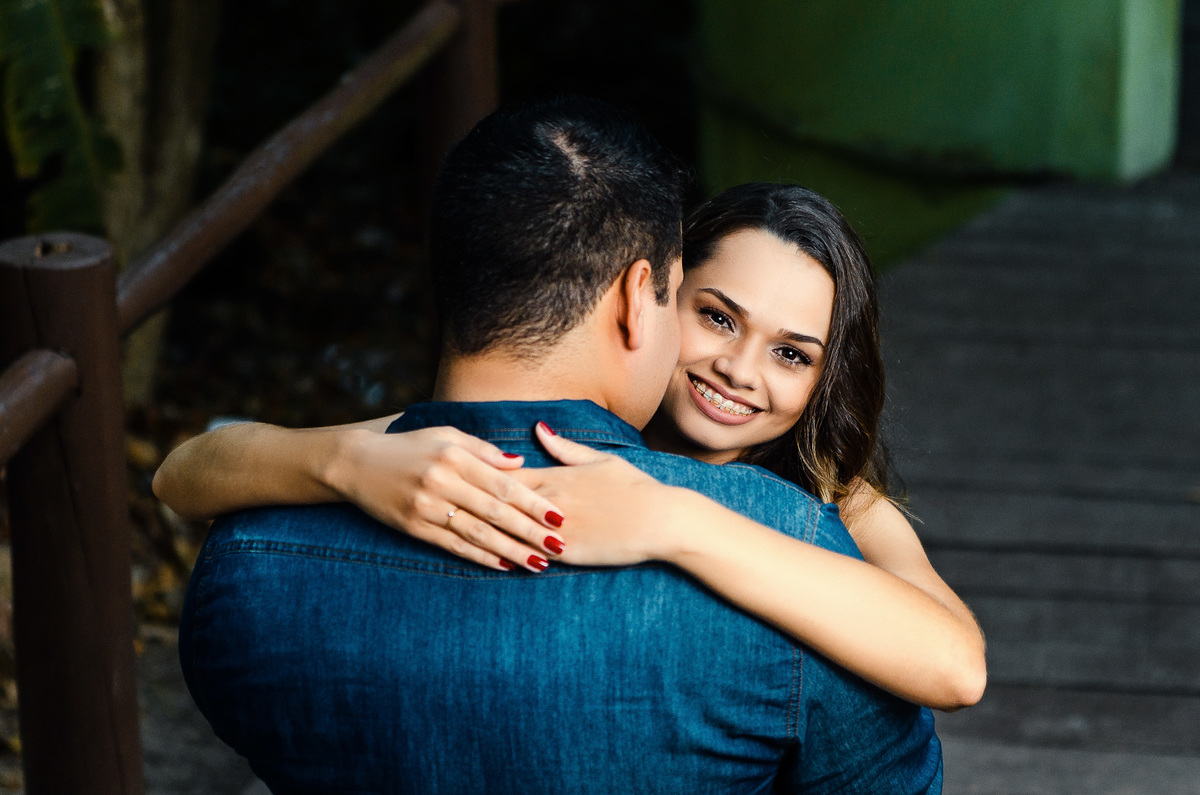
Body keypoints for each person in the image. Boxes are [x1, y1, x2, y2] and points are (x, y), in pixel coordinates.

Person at [173, 95, 945, 793]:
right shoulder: (793, 548)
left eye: (791, 352)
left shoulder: (248, 565)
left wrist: (332, 463)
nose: (737, 369)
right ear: (638, 301)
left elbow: (193, 473)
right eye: (703, 309)